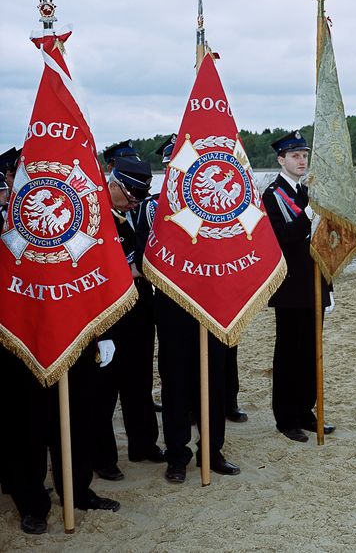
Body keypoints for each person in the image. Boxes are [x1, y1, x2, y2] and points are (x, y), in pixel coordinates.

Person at [136, 135, 240, 483]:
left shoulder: (217, 209)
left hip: (211, 305)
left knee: (213, 382)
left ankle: (213, 451)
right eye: (170, 166)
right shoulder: (152, 208)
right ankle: (177, 456)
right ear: (167, 168)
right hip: (172, 306)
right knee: (176, 384)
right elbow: (143, 258)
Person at [0, 334, 120, 534]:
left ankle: (77, 491)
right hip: (22, 334)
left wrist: (102, 334)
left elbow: (93, 301)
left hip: (76, 334)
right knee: (27, 419)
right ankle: (31, 504)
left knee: (78, 417)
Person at [92, 155, 165, 482]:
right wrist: (131, 269)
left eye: (140, 195)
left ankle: (143, 443)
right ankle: (103, 457)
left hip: (138, 306)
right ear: (113, 178)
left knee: (139, 380)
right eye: (130, 193)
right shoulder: (94, 213)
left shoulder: (137, 212)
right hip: (107, 310)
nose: (135, 200)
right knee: (104, 388)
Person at [263, 130, 335, 443]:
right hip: (290, 289)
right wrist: (307, 215)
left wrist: (328, 287)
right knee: (289, 354)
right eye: (294, 155)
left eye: (304, 155)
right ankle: (286, 417)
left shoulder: (307, 192)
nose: (301, 160)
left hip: (313, 285)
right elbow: (284, 239)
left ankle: (305, 411)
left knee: (310, 351)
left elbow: (320, 244)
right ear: (281, 159)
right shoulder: (273, 195)